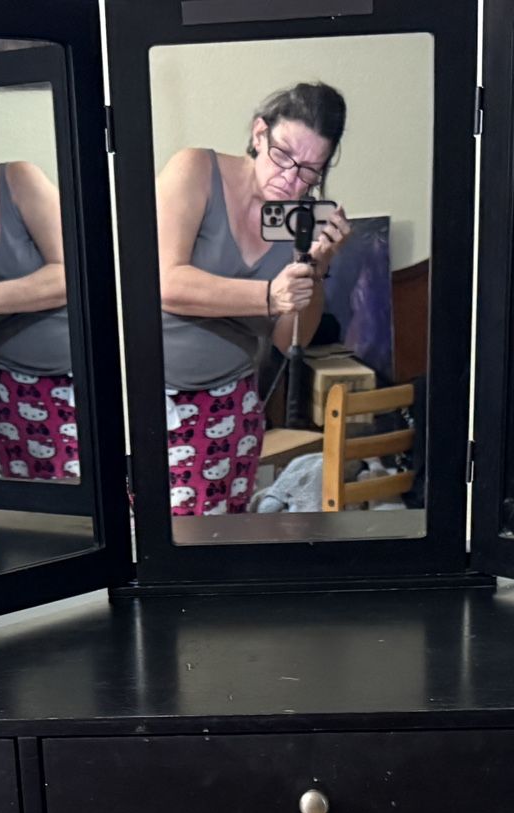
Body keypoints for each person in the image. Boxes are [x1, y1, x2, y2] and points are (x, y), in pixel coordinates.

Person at [156, 82, 352, 516]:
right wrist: (267, 294)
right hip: (162, 397)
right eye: (283, 155)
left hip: (236, 398)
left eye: (309, 171)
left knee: (228, 529)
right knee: (169, 538)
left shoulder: (297, 218)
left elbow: (286, 339)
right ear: (259, 133)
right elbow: (164, 283)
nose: (290, 178)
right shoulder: (195, 170)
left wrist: (316, 268)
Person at [0, 161, 80, 483]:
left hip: (62, 380)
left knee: (78, 493)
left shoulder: (17, 178)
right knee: (27, 504)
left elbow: (74, 271)